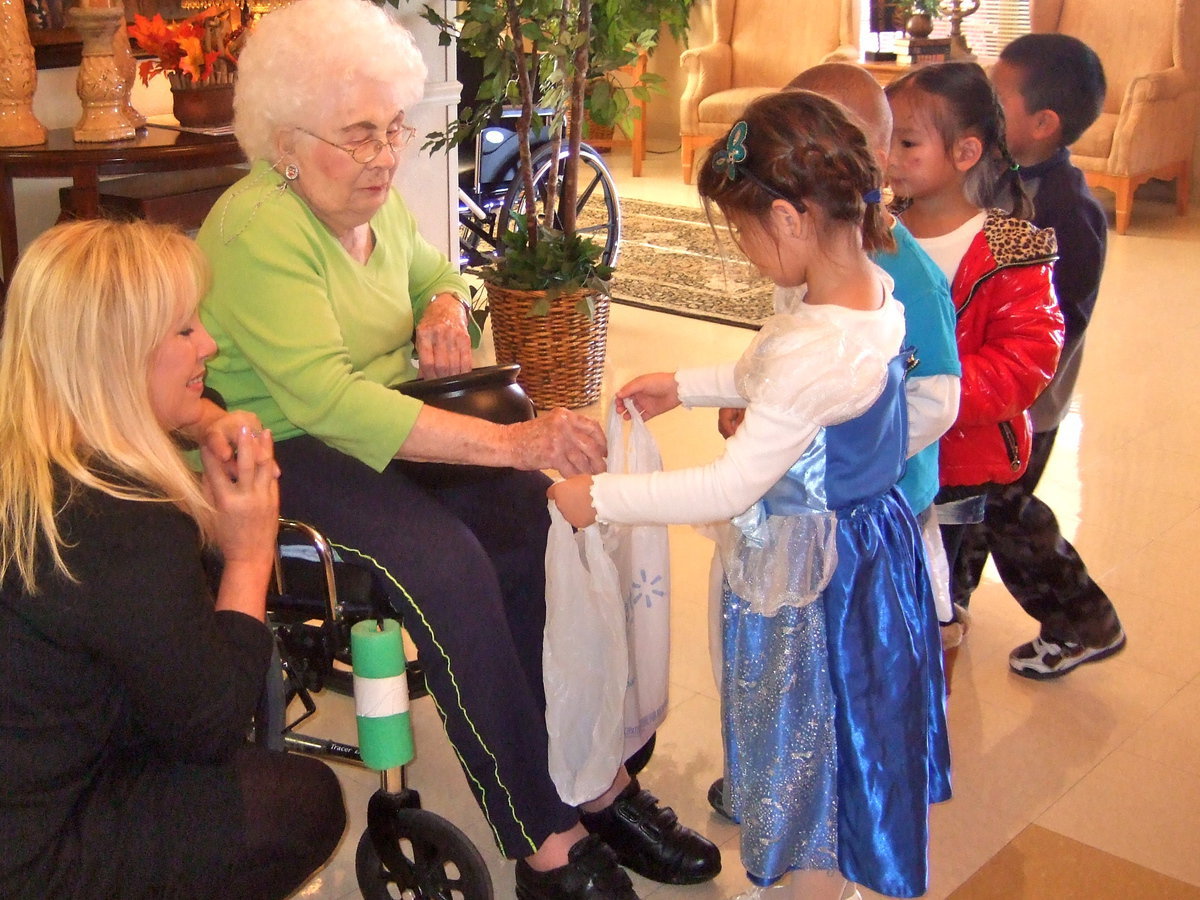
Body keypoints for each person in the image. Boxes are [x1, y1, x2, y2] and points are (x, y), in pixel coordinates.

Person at [194, 0, 719, 897]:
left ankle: (596, 779)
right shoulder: (257, 232)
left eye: (393, 128)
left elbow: (437, 274)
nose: (385, 155)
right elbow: (330, 402)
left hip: (389, 421)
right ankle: (543, 838)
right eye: (358, 135)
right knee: (446, 567)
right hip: (294, 448)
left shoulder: (368, 203)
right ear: (284, 141)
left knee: (531, 526)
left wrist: (443, 307)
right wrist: (513, 440)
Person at [551, 90, 951, 900]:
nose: (742, 250)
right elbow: (771, 374)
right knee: (843, 727)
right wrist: (686, 385)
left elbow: (735, 480)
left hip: (815, 587)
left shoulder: (816, 348)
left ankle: (809, 879)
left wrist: (607, 496)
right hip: (867, 548)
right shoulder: (863, 291)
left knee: (807, 741)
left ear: (791, 217)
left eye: (742, 231)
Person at [0, 219, 346, 899]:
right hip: (35, 859)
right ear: (118, 355)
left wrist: (199, 418)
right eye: (185, 329)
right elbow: (212, 726)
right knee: (301, 802)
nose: (208, 344)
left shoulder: (36, 457)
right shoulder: (118, 518)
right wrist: (249, 554)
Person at [705, 61, 962, 821]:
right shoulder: (820, 253)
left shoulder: (902, 274)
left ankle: (835, 790)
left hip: (872, 502)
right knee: (793, 655)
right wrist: (763, 403)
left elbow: (939, 397)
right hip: (809, 500)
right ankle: (781, 770)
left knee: (855, 664)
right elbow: (794, 352)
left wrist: (827, 431)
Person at [950, 34, 1125, 678]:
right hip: (979, 385)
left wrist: (1011, 381)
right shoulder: (999, 174)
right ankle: (951, 602)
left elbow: (1061, 324)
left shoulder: (1068, 211)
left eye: (998, 97)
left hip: (1027, 403)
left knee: (1006, 512)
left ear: (1044, 124)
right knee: (965, 493)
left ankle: (1084, 619)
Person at [884, 61, 1064, 663]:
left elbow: (1026, 360)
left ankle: (931, 686)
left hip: (957, 460)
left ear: (965, 152)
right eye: (882, 136)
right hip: (876, 451)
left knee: (936, 592)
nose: (886, 154)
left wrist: (930, 388)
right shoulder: (870, 232)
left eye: (906, 142)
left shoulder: (1011, 250)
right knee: (884, 582)